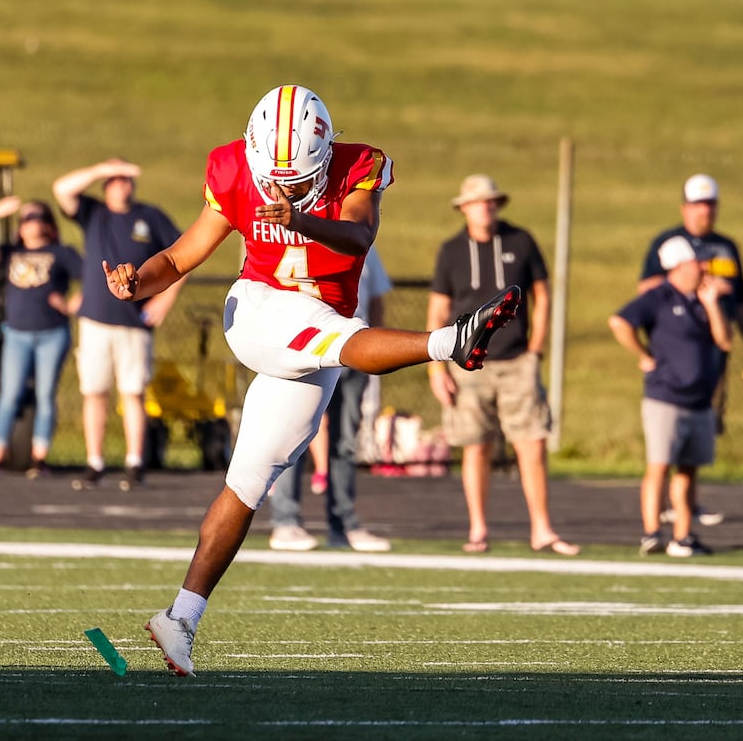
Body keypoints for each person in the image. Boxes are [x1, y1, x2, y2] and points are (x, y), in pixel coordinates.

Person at [97, 85, 520, 676]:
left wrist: (299, 218)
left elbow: (358, 237)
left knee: (247, 483)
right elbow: (177, 259)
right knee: (336, 337)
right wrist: (134, 282)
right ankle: (450, 342)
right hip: (258, 312)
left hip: (318, 335)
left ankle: (180, 619)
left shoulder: (359, 167)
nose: (283, 188)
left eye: (298, 182)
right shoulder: (233, 168)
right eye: (277, 180)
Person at [427, 174, 578, 557]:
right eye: (478, 201)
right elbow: (439, 309)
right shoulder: (451, 251)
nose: (486, 207)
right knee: (476, 445)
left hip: (516, 360)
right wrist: (436, 367)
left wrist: (536, 350)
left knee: (532, 442)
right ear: (463, 207)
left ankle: (542, 528)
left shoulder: (520, 241)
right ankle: (478, 528)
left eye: (491, 201)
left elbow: (542, 295)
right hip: (467, 364)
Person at [639, 173, 743, 525]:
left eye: (709, 204)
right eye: (696, 204)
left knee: (702, 428)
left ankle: (686, 503)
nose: (703, 211)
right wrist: (691, 278)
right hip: (676, 348)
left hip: (715, 349)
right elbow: (645, 289)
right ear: (684, 207)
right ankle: (665, 505)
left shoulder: (727, 247)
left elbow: (741, 302)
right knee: (668, 432)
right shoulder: (667, 242)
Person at [53, 158, 185, 489]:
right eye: (116, 180)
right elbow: (61, 189)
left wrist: (165, 299)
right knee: (94, 391)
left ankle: (134, 461)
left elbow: (183, 256)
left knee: (133, 392)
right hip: (96, 320)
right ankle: (94, 461)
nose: (123, 184)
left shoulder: (149, 217)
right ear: (106, 185)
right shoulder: (95, 214)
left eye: (127, 179)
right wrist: (100, 168)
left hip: (134, 322)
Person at [610, 235, 732, 557]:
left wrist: (711, 305)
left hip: (700, 399)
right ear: (678, 266)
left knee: (689, 470)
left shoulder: (705, 298)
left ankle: (683, 536)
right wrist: (644, 355)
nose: (704, 267)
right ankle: (652, 533)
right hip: (665, 396)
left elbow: (725, 341)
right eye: (697, 262)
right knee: (659, 466)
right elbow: (619, 322)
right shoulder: (659, 297)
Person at [268, 245, 394, 552]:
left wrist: (373, 346)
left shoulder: (363, 238)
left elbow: (375, 298)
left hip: (353, 348)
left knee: (345, 441)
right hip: (308, 347)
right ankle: (285, 521)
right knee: (292, 434)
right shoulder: (300, 234)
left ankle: (343, 524)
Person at [0, 198, 83, 476]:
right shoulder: (11, 252)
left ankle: (38, 459)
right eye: (27, 218)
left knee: (44, 394)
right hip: (17, 334)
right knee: (9, 394)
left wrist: (71, 306)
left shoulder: (61, 253)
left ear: (49, 224)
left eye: (39, 217)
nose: (33, 222)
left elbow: (91, 278)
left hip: (51, 333)